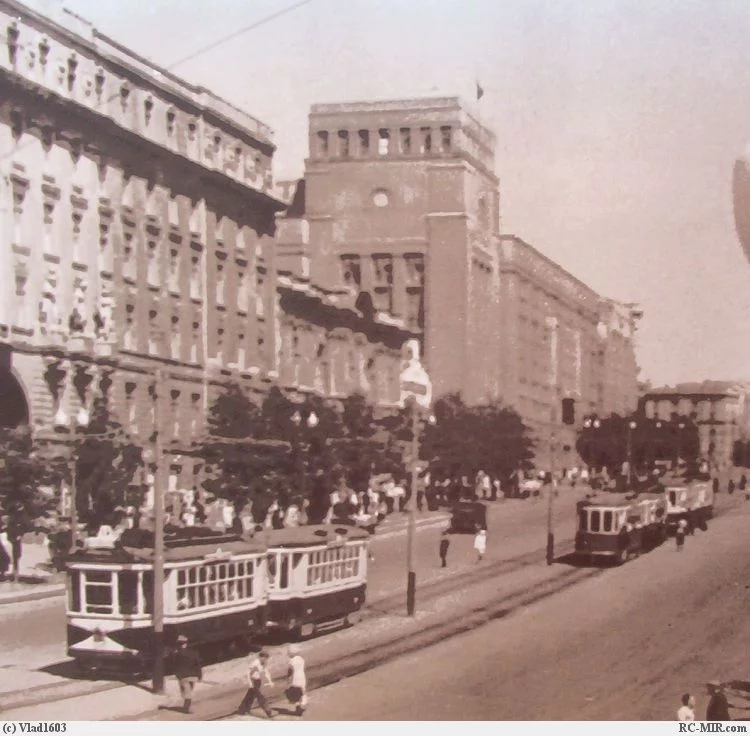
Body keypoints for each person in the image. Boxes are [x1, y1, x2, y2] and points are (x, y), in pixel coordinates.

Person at [237, 650, 274, 718]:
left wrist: (270, 681)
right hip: (253, 681)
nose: (265, 660)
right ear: (260, 657)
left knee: (250, 696)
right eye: (264, 658)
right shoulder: (255, 663)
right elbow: (249, 673)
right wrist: (250, 683)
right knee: (261, 696)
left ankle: (242, 710)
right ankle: (268, 711)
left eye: (266, 658)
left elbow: (266, 671)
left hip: (258, 681)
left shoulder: (264, 663)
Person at [171, 634, 202, 714]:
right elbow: (198, 665)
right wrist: (199, 675)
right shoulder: (194, 652)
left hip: (183, 676)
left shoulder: (176, 653)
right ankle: (186, 706)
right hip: (193, 676)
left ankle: (188, 708)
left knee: (186, 692)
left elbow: (175, 665)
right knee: (189, 691)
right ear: (186, 643)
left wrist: (177, 675)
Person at [287, 644, 308, 716]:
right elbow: (304, 668)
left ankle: (298, 708)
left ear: (292, 652)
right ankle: (303, 704)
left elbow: (291, 671)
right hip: (302, 676)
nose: (288, 654)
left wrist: (289, 680)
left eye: (288, 652)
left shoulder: (291, 661)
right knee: (302, 691)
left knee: (296, 693)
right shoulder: (301, 659)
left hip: (295, 677)